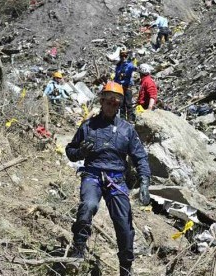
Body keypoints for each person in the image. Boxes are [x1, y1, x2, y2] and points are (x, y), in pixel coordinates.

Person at [65, 81, 151, 276]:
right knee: (88, 206)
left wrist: (145, 181)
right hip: (92, 174)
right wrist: (80, 152)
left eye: (116, 104)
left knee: (124, 224)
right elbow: (70, 151)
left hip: (117, 179)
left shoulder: (127, 130)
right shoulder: (88, 126)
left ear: (119, 105)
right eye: (108, 102)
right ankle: (77, 252)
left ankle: (125, 268)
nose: (112, 106)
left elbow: (140, 157)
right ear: (101, 101)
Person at [113, 50, 137, 121]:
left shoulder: (130, 65)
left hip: (127, 87)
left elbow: (134, 68)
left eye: (125, 56)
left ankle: (130, 120)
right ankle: (123, 120)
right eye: (122, 56)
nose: (123, 57)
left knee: (128, 103)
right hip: (120, 87)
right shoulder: (118, 66)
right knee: (121, 104)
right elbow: (116, 77)